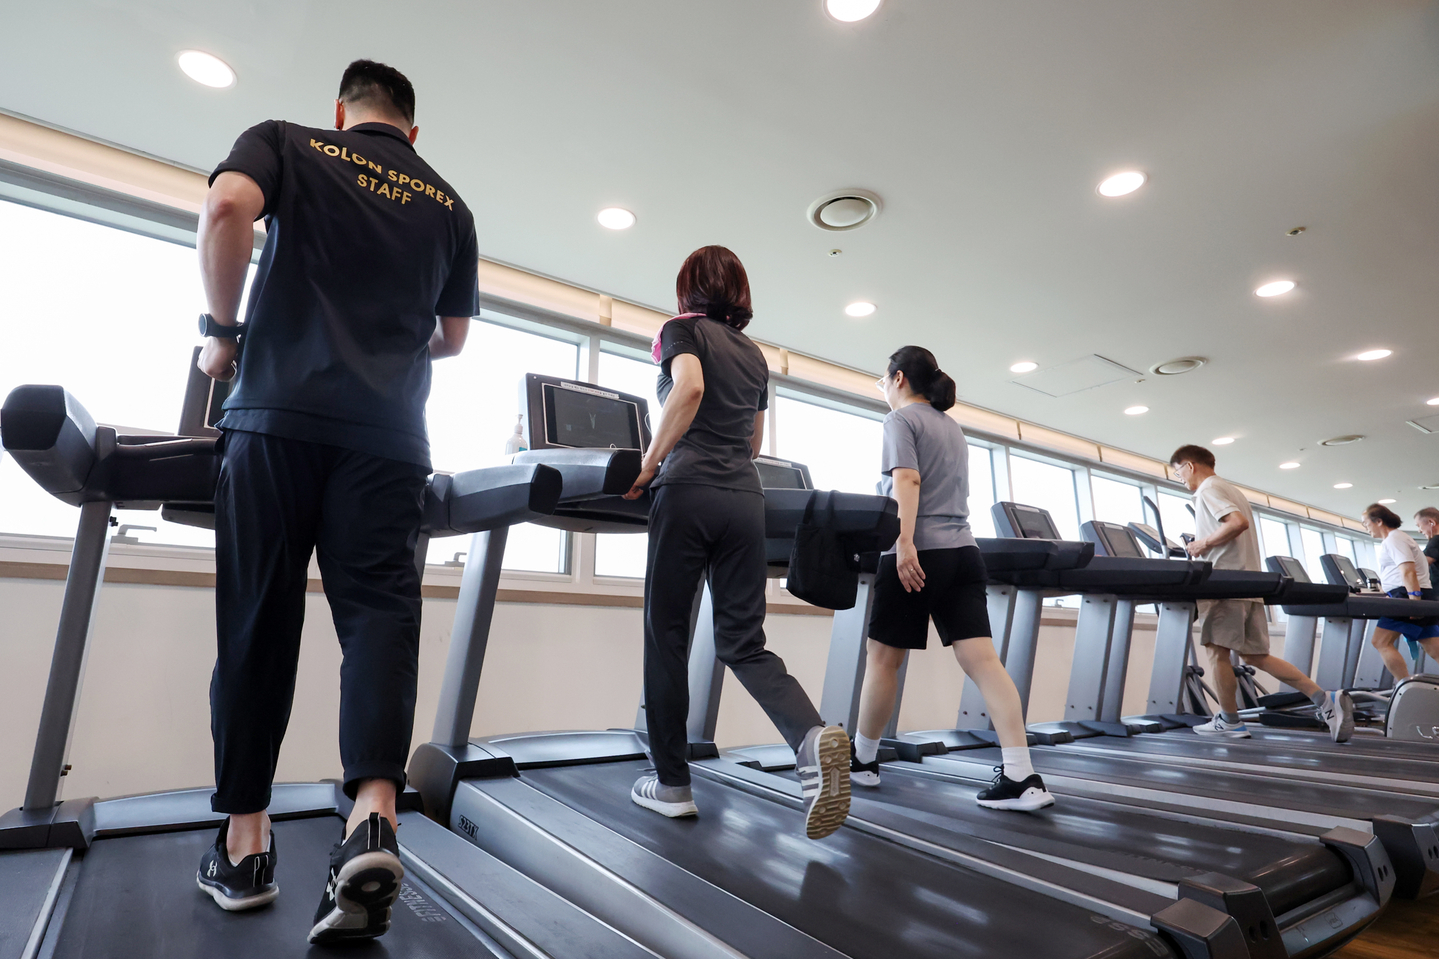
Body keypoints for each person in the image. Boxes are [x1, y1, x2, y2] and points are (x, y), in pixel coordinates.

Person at [193, 60, 478, 944]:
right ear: (413, 132)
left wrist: (224, 333)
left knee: (256, 621)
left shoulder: (286, 141)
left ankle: (245, 847)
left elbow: (226, 208)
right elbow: (453, 339)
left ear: (342, 113)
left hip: (274, 420)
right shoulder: (450, 204)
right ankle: (373, 816)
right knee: (379, 622)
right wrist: (379, 347)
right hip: (388, 441)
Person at [622, 246, 851, 839]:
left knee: (666, 637)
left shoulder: (680, 331)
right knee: (743, 643)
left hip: (689, 489)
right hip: (744, 499)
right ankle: (808, 736)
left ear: (686, 290)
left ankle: (671, 784)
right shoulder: (754, 355)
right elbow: (752, 443)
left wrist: (650, 463)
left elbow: (689, 390)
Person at [849, 347, 1054, 810]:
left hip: (919, 554)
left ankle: (862, 763)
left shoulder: (900, 422)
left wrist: (903, 543)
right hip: (965, 554)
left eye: (884, 379)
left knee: (883, 660)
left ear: (898, 378)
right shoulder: (951, 427)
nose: (882, 387)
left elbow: (908, 481)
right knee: (984, 662)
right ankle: (1022, 775)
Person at [1169, 446, 1353, 741]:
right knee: (1256, 655)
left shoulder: (1207, 489)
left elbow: (1236, 524)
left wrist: (1202, 544)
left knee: (1216, 652)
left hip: (1225, 585)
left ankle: (1229, 720)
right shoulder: (1232, 489)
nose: (1180, 479)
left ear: (1189, 466)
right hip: (1248, 584)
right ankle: (1324, 699)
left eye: (1178, 472)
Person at [1363, 504, 1439, 679]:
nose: (1366, 528)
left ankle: (1404, 688)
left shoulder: (1394, 539)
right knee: (1433, 647)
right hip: (1416, 594)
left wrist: (1414, 602)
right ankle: (1407, 690)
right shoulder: (1397, 538)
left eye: (1366, 523)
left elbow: (1408, 570)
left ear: (1379, 521)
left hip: (1407, 595)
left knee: (1381, 641)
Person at [1414, 507, 1439, 588]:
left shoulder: (1436, 540)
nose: (1419, 530)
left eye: (1419, 525)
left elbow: (1420, 566)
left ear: (1431, 522)